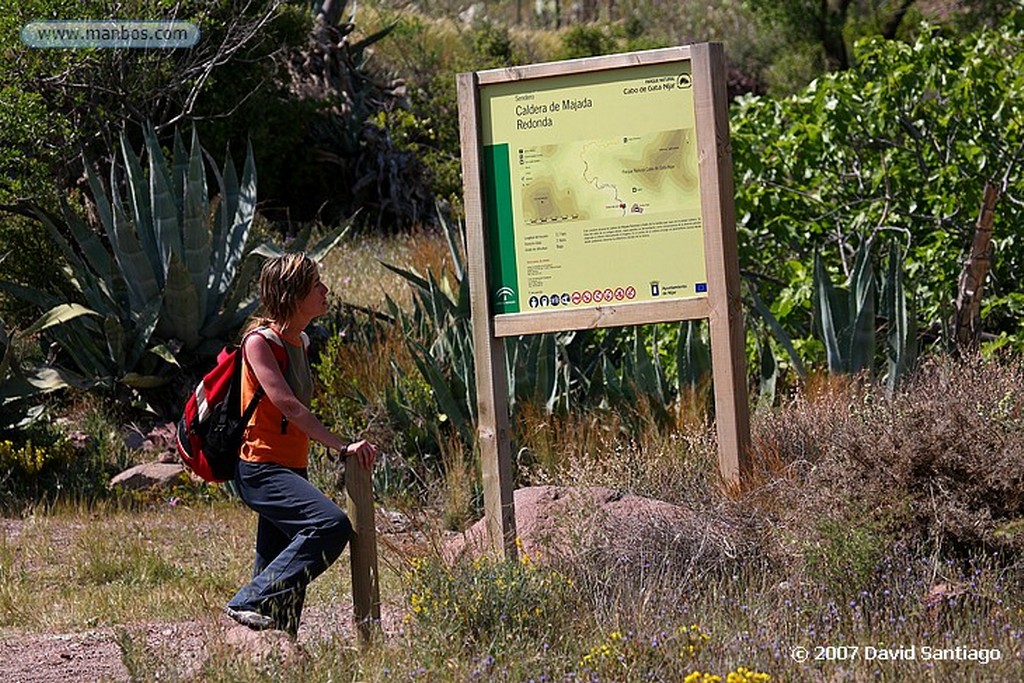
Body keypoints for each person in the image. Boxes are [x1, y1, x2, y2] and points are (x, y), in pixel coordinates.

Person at [224, 252, 377, 637]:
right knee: (329, 525)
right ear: (293, 296)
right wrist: (341, 446)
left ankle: (277, 649)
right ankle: (248, 599)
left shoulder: (302, 340)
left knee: (282, 565)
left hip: (292, 465)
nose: (325, 290)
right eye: (316, 286)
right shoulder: (259, 343)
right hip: (260, 468)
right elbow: (289, 405)